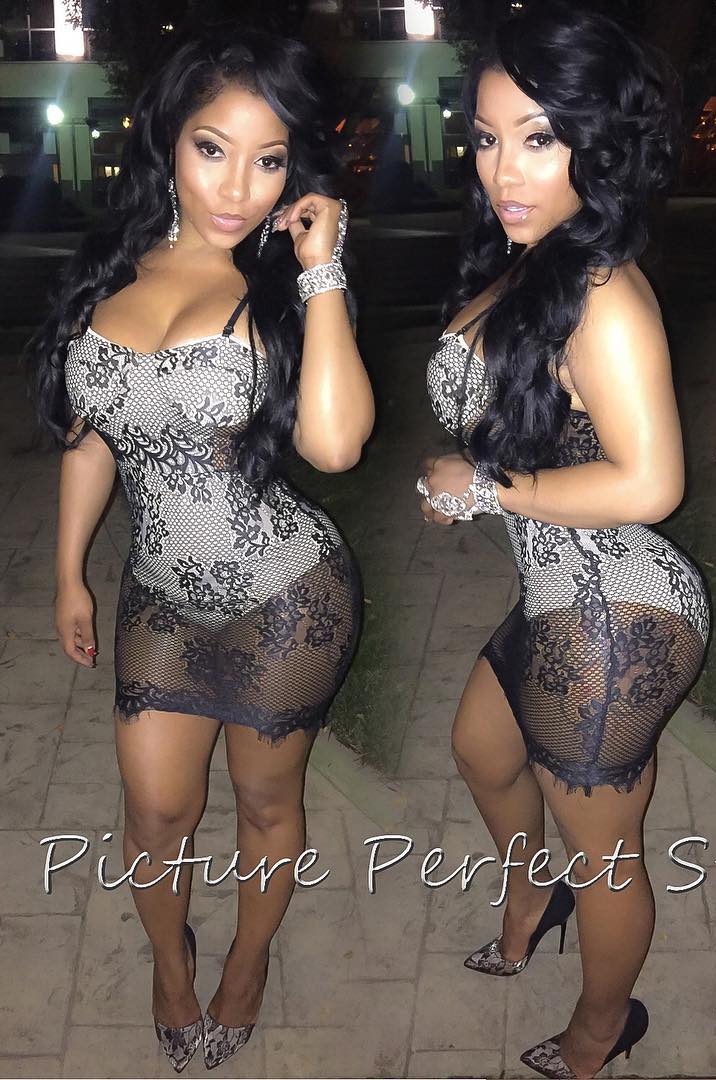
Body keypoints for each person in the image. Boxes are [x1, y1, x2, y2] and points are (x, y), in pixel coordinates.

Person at [24, 23, 373, 1073]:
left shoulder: (283, 282)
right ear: (167, 137)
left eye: (270, 160)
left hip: (289, 597)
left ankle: (247, 965)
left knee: (266, 802)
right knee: (155, 811)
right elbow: (92, 437)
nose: (238, 187)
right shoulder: (108, 269)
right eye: (213, 148)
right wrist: (69, 572)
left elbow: (335, 444)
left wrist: (324, 270)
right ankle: (171, 972)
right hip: (161, 597)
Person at [416, 4, 709, 1077]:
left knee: (607, 854)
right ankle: (531, 894)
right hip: (556, 590)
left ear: (599, 138)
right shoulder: (529, 259)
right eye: (488, 137)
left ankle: (601, 1029)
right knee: (481, 750)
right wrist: (481, 484)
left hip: (617, 615)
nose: (505, 169)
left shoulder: (603, 294)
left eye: (539, 138)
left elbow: (653, 482)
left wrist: (488, 486)